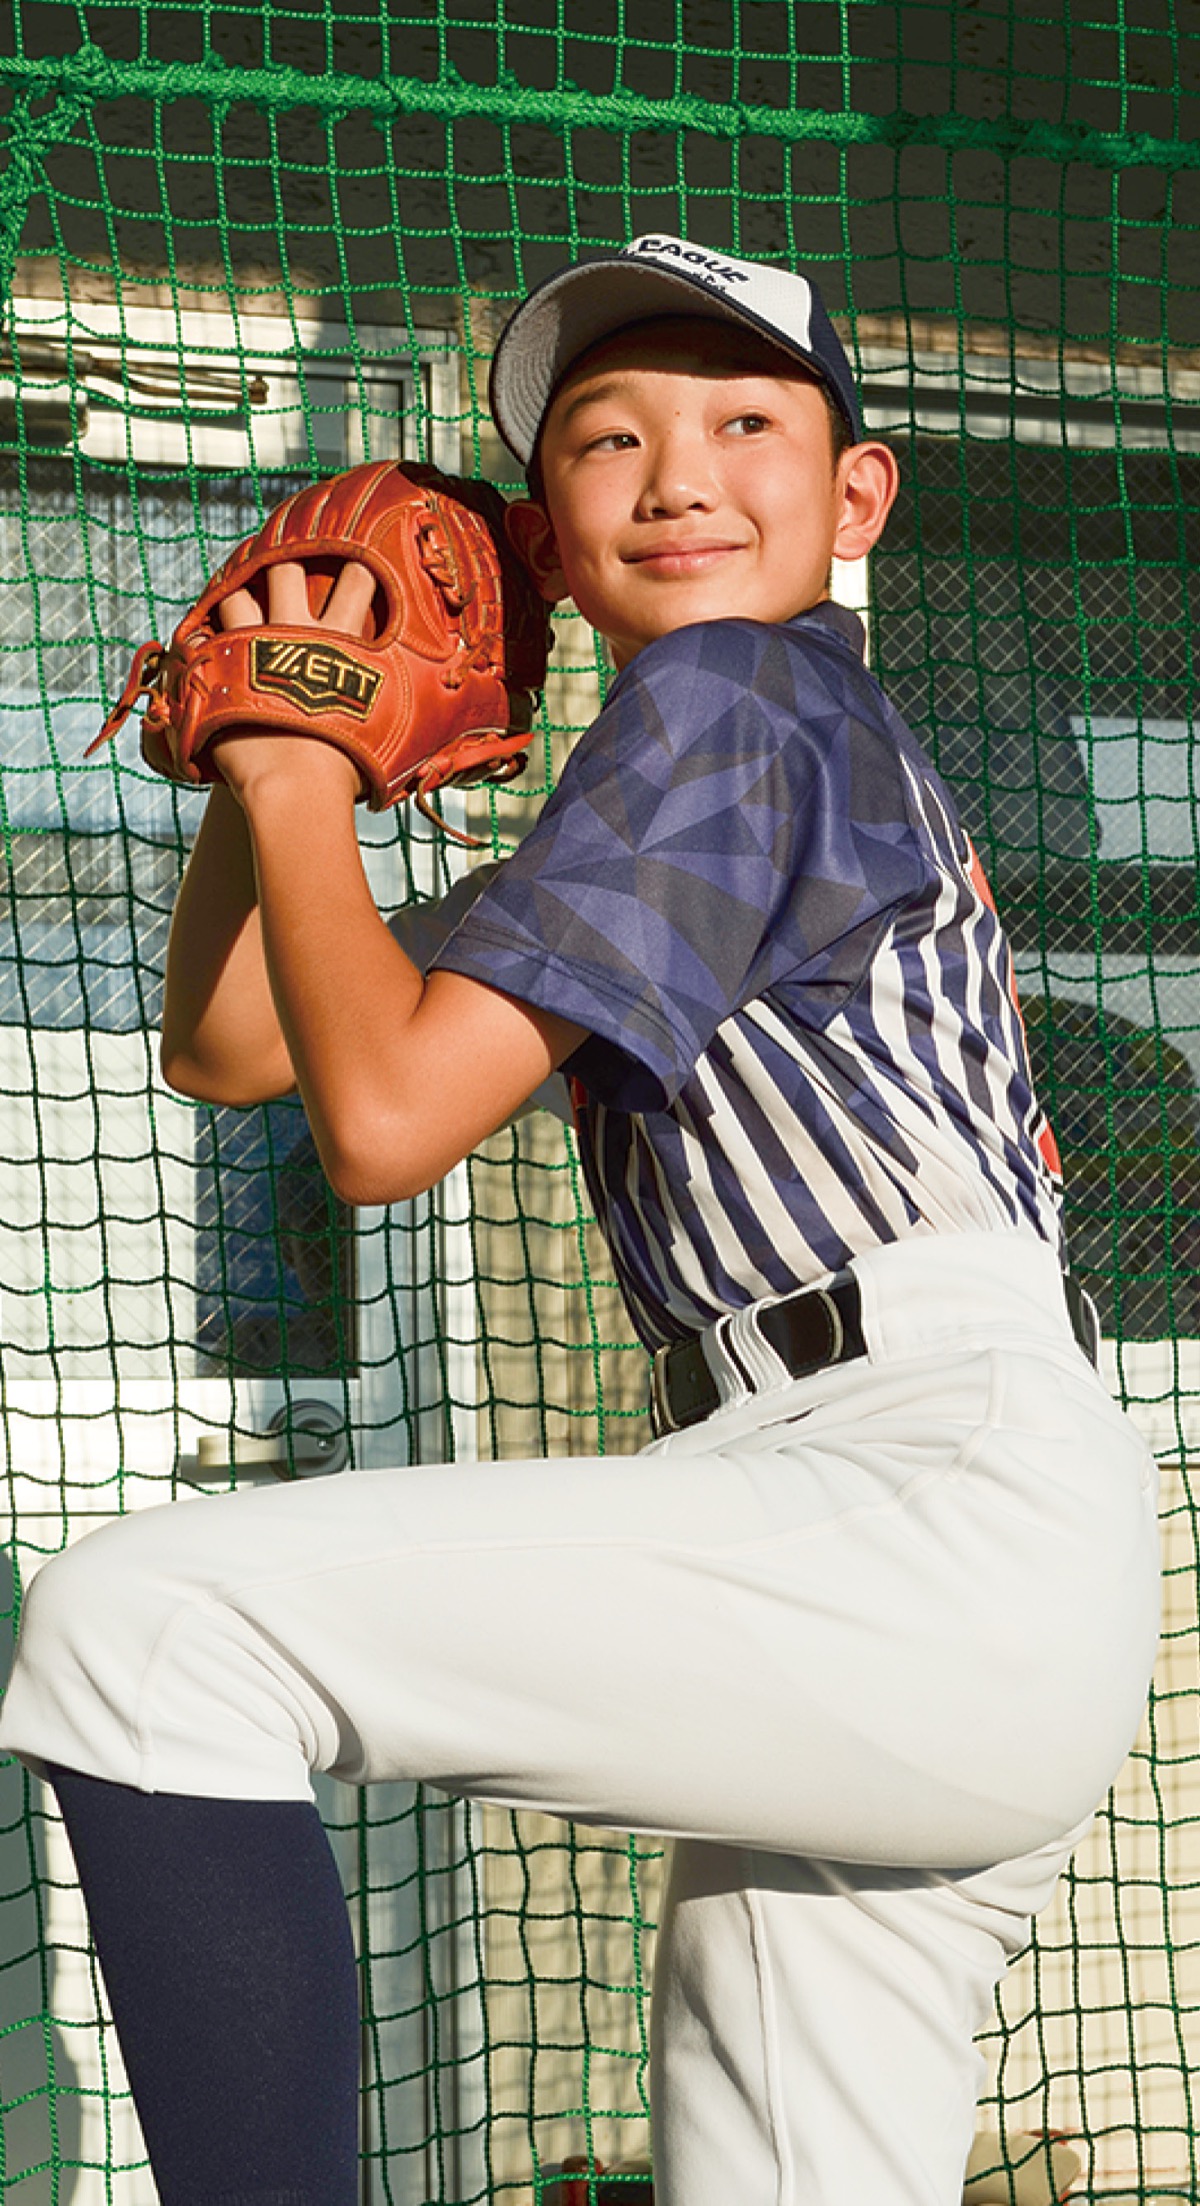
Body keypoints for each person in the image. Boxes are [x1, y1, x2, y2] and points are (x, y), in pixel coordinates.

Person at [0, 234, 1161, 2206]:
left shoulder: (730, 699)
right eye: (608, 438)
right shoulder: (708, 779)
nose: (678, 473)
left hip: (912, 1489)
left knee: (148, 1627)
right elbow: (237, 1040)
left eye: (745, 421)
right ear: (543, 530)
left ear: (856, 495)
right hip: (932, 1530)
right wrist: (269, 772)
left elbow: (381, 1127)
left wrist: (294, 748)